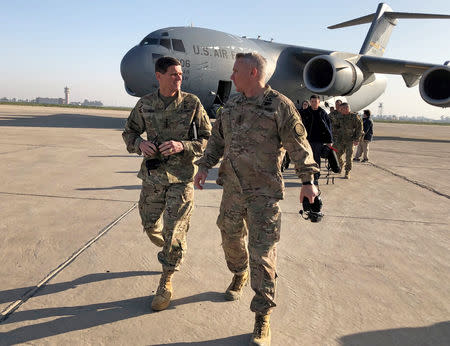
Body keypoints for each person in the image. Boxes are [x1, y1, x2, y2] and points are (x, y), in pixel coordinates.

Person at [194, 52, 319, 346]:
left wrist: (308, 181)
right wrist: (203, 166)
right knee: (229, 239)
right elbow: (217, 140)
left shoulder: (279, 105)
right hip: (232, 191)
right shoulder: (232, 104)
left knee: (262, 255)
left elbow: (299, 145)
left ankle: (262, 316)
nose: (232, 75)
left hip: (263, 194)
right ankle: (238, 272)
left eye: (236, 71)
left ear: (253, 73)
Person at [122, 56, 212, 311]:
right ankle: (173, 244)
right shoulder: (145, 104)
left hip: (182, 178)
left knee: (174, 233)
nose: (179, 77)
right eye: (173, 74)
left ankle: (166, 280)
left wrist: (182, 145)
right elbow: (129, 132)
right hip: (153, 177)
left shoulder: (192, 103)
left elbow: (208, 138)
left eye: (180, 74)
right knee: (150, 225)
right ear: (159, 76)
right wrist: (139, 144)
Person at [299, 94, 333, 184]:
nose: (314, 103)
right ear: (310, 102)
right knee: (306, 159)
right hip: (307, 140)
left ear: (319, 102)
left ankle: (316, 177)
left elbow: (328, 127)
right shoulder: (305, 112)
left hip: (318, 141)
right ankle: (308, 177)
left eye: (316, 102)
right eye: (312, 102)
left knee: (316, 159)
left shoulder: (322, 113)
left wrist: (330, 141)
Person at [331, 102, 363, 179]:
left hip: (350, 140)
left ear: (347, 108)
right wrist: (333, 136)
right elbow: (334, 126)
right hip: (339, 139)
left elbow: (359, 128)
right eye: (340, 109)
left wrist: (357, 139)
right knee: (335, 154)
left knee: (349, 157)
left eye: (342, 109)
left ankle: (347, 171)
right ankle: (341, 164)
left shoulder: (354, 117)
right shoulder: (339, 117)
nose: (341, 110)